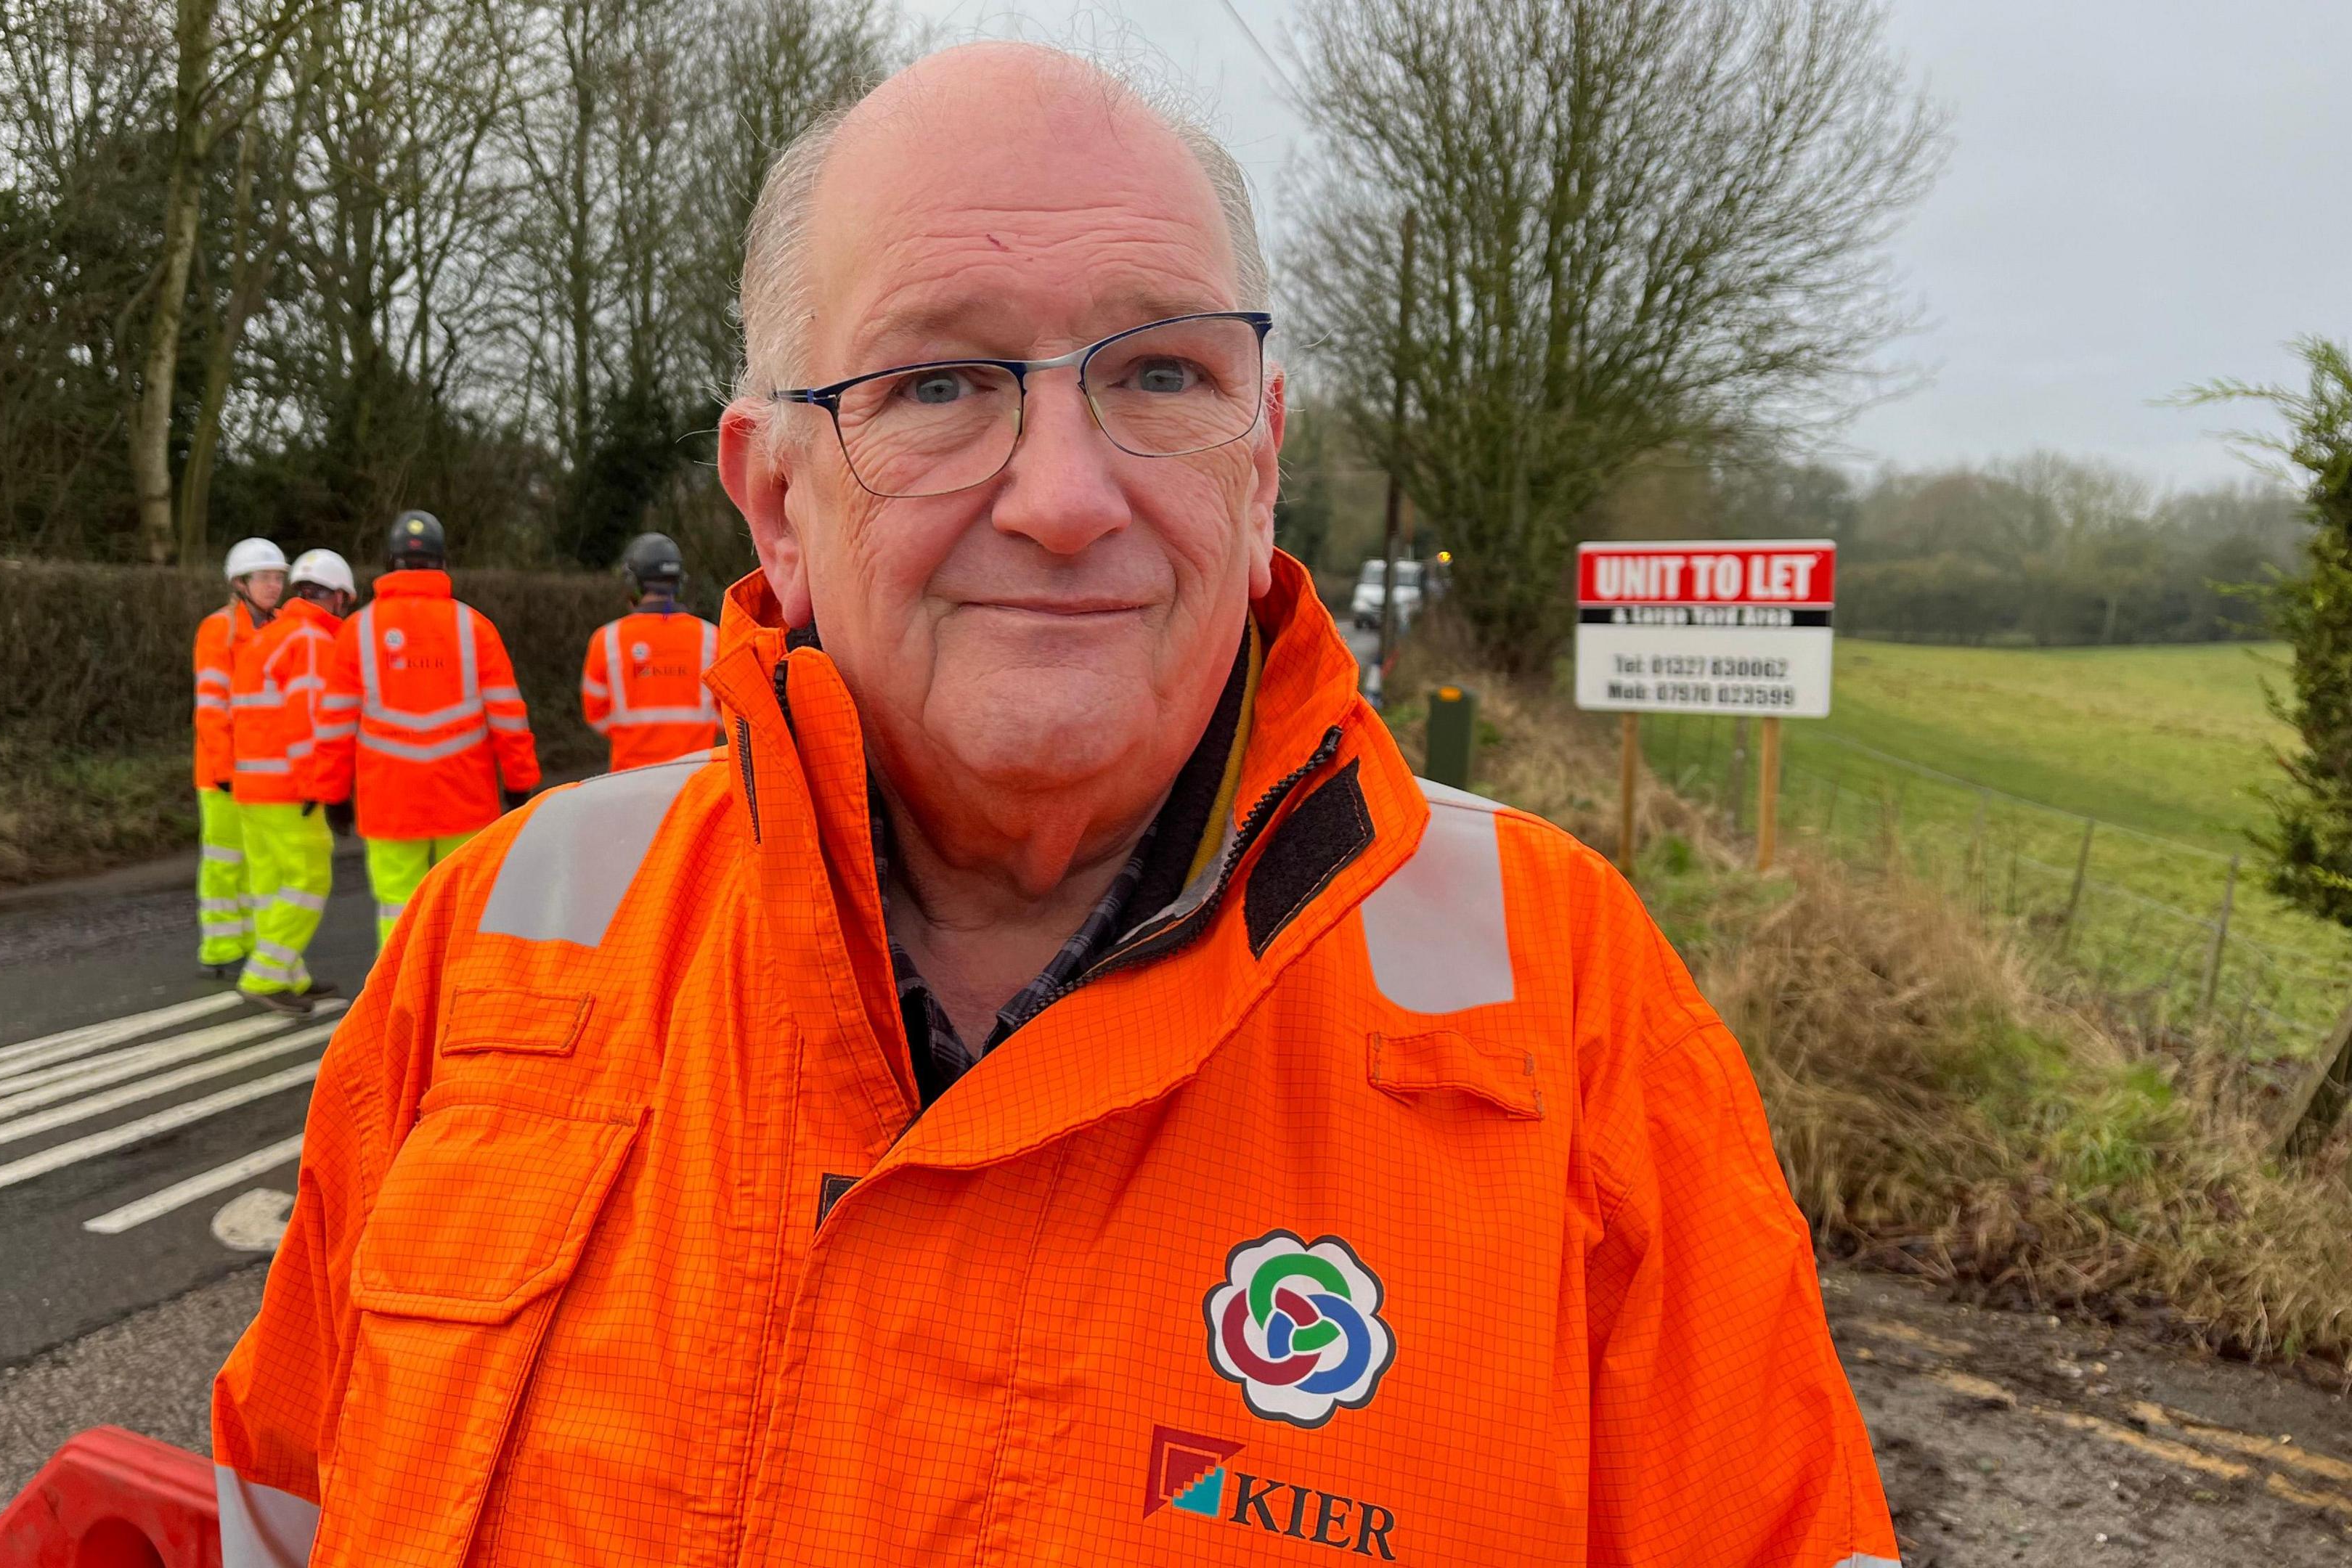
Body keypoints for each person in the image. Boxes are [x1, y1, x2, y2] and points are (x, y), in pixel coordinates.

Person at [213, 44, 1897, 1568]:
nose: (1065, 495)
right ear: (774, 502)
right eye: (938, 383)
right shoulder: (494, 953)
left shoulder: (1570, 1011)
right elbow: (280, 1512)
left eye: (1158, 373)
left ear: (1257, 458)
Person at [328, 510, 541, 950]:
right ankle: (455, 1001)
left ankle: (401, 1003)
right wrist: (520, 782)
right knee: (464, 903)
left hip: (389, 800)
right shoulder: (474, 627)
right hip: (464, 797)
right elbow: (507, 715)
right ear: (442, 564)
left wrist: (331, 793)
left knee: (397, 906)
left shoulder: (357, 630)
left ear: (390, 564)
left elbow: (334, 723)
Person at [227, 547, 356, 1017]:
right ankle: (263, 975)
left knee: (271, 886)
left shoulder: (267, 637)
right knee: (308, 881)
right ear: (338, 598)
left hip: (252, 788)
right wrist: (317, 785)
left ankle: (289, 974)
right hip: (288, 789)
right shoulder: (312, 642)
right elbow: (309, 725)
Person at [190, 538, 285, 979]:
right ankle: (221, 948)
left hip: (268, 776)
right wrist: (227, 771)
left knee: (261, 866)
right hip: (223, 776)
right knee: (224, 863)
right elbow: (211, 709)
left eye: (278, 577)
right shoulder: (218, 631)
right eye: (265, 577)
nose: (274, 585)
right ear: (239, 583)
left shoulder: (282, 629)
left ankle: (256, 949)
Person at [579, 531, 722, 770]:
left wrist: (635, 735)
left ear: (632, 584)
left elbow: (596, 714)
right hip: (697, 777)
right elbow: (730, 712)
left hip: (630, 778)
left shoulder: (607, 639)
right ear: (679, 584)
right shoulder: (712, 636)